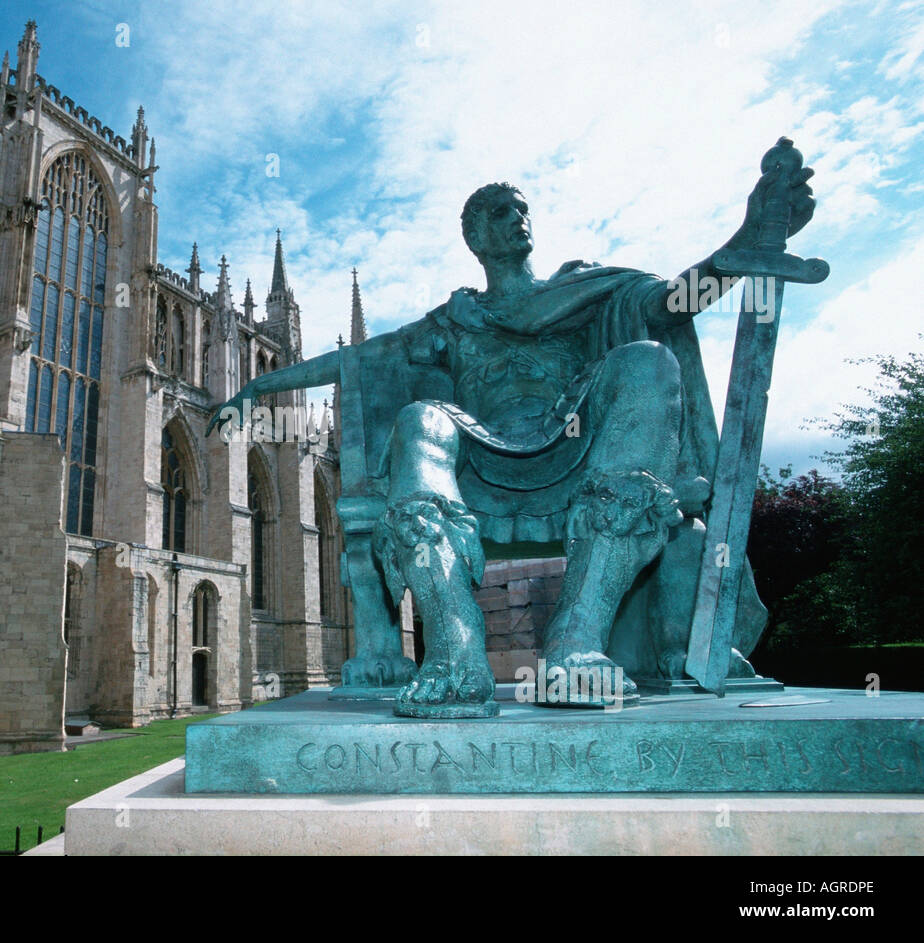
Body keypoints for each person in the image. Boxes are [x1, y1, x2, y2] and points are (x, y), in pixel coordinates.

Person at [210, 142, 815, 713]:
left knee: (647, 361)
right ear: (475, 237)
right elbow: (361, 360)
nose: (516, 219)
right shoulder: (456, 321)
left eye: (522, 209)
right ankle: (455, 649)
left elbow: (671, 303)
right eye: (500, 213)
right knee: (420, 418)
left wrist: (739, 249)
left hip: (580, 446)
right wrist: (258, 387)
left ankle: (576, 637)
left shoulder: (585, 292)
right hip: (485, 456)